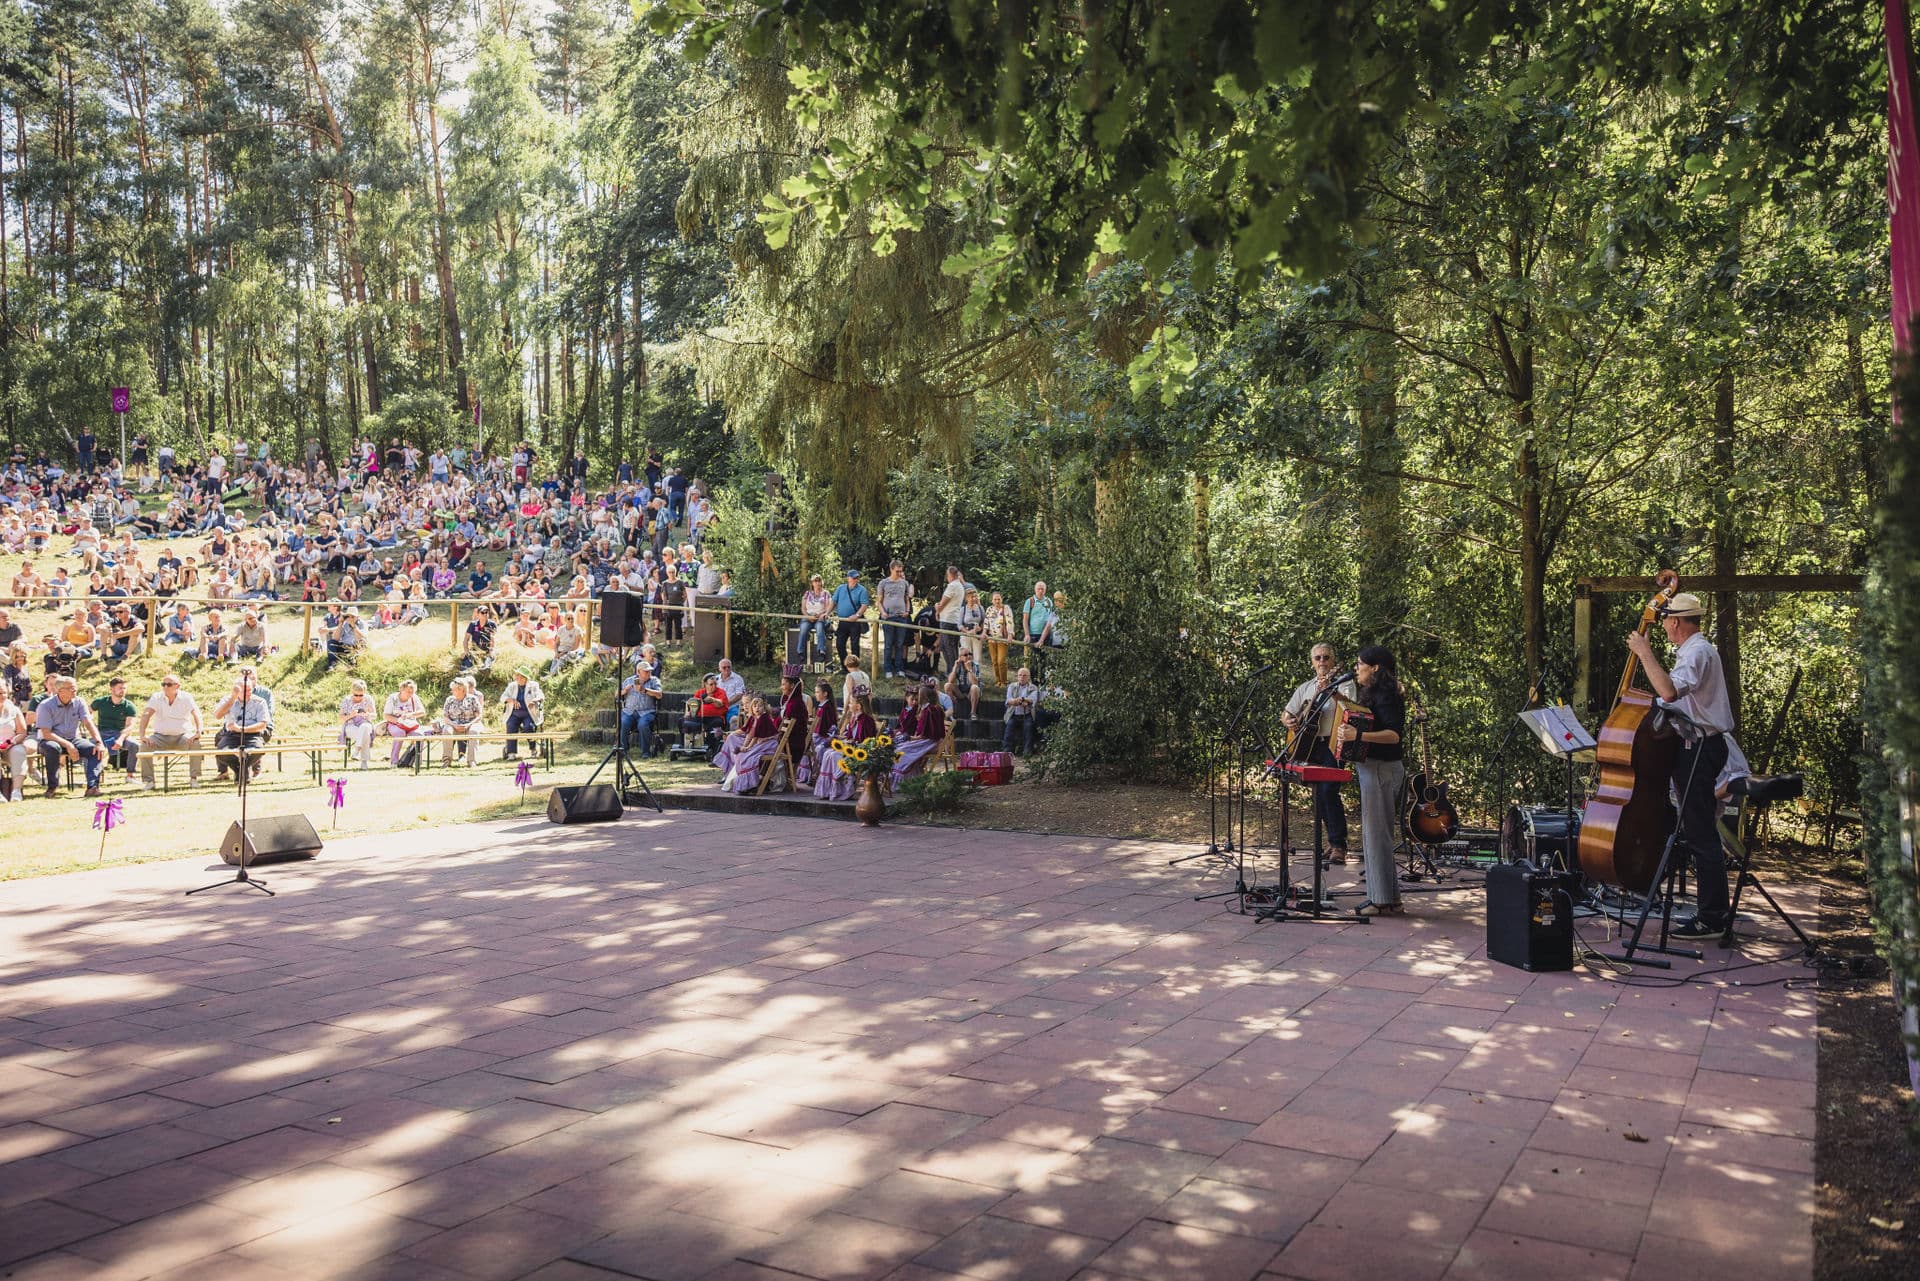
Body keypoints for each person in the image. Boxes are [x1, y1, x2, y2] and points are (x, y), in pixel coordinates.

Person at [1625, 591, 1736, 938]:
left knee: (1702, 833)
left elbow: (1669, 692)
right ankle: (1711, 912)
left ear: (1675, 621)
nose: (1666, 630)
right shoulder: (1694, 651)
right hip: (1695, 747)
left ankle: (1713, 916)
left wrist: (1644, 652)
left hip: (1701, 748)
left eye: (1667, 623)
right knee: (1697, 830)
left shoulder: (1698, 652)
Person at [1336, 645, 1407, 916]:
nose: (1356, 668)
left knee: (1378, 836)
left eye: (1360, 664)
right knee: (1375, 835)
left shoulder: (1387, 694)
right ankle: (1389, 899)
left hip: (1382, 768)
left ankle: (1380, 900)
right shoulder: (1373, 693)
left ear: (1375, 667)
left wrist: (1359, 736)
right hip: (1372, 768)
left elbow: (1393, 735)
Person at [1281, 643, 1358, 865]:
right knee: (1318, 795)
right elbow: (1287, 713)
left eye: (1326, 657)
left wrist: (1331, 691)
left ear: (1333, 661)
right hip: (1308, 745)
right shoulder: (1306, 687)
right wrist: (1288, 720)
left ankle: (1339, 846)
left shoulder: (1344, 683)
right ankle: (1332, 842)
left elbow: (1351, 708)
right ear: (1312, 661)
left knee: (1328, 791)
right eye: (1318, 658)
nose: (1322, 661)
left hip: (1333, 744)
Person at [35, 676, 103, 796]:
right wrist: (68, 745)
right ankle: (52, 787)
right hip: (50, 739)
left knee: (94, 750)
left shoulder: (79, 702)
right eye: (71, 687)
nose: (74, 689)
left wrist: (98, 742)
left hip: (73, 738)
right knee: (53, 748)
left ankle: (92, 787)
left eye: (75, 686)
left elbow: (88, 722)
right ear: (60, 690)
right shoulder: (45, 705)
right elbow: (46, 733)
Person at [137, 672, 202, 790]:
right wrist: (142, 735)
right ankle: (149, 782)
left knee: (196, 743)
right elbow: (146, 714)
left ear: (177, 686)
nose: (165, 687)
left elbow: (196, 713)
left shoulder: (186, 697)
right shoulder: (156, 697)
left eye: (169, 684)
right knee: (144, 746)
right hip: (160, 737)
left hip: (183, 737)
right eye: (163, 684)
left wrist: (198, 731)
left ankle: (194, 779)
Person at [814, 691, 876, 802]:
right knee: (828, 753)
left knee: (834, 756)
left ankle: (842, 790)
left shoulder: (866, 720)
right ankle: (828, 790)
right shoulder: (854, 718)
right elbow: (850, 736)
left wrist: (850, 743)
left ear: (858, 706)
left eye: (851, 703)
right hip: (852, 748)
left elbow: (866, 741)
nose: (848, 705)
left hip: (860, 751)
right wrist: (838, 738)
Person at [213, 676, 274, 783]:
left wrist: (242, 729)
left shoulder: (260, 702)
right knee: (222, 752)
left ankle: (241, 772)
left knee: (257, 750)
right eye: (245, 691)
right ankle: (241, 771)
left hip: (253, 734)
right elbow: (217, 715)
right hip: (231, 735)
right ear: (236, 690)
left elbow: (263, 724)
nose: (248, 693)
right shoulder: (227, 700)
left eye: (250, 690)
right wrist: (233, 698)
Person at [714, 696, 781, 793]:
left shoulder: (763, 718)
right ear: (752, 708)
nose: (757, 708)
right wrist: (731, 734)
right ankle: (744, 782)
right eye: (755, 707)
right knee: (740, 751)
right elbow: (746, 731)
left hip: (768, 743)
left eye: (760, 706)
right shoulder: (753, 718)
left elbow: (756, 736)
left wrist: (748, 747)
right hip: (759, 741)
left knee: (748, 757)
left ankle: (751, 785)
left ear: (764, 708)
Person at [892, 680, 945, 781]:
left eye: (919, 695)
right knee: (898, 746)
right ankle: (909, 776)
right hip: (924, 740)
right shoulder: (926, 709)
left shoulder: (931, 710)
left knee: (900, 751)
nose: (917, 698)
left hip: (930, 742)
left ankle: (902, 779)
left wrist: (913, 738)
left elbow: (928, 734)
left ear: (924, 697)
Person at [90, 676, 140, 781]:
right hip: (101, 733)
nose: (123, 690)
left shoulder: (129, 706)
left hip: (119, 734)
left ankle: (130, 775)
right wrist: (93, 727)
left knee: (135, 745)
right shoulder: (101, 701)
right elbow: (85, 713)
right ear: (112, 689)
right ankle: (92, 777)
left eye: (124, 688)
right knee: (89, 746)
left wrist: (120, 739)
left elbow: (130, 726)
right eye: (120, 688)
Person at [618, 661, 662, 757]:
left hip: (647, 712)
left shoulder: (654, 680)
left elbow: (659, 695)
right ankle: (623, 750)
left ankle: (645, 752)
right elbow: (616, 694)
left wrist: (644, 690)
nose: (649, 673)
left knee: (643, 724)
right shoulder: (629, 680)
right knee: (623, 723)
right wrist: (625, 690)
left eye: (650, 671)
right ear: (638, 671)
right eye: (646, 671)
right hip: (629, 711)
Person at [500, 668, 545, 759]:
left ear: (525, 678)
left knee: (529, 727)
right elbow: (503, 697)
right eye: (516, 675)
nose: (517, 678)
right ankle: (511, 752)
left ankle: (533, 750)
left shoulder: (533, 685)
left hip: (529, 713)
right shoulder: (512, 686)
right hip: (514, 714)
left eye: (519, 676)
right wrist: (511, 700)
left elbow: (541, 695)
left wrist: (534, 701)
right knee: (511, 725)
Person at [383, 679, 429, 766]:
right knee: (400, 733)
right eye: (408, 691)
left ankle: (417, 762)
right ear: (401, 689)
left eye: (412, 692)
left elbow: (422, 711)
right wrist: (399, 720)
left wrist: (409, 715)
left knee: (420, 735)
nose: (410, 694)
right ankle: (394, 761)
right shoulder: (393, 698)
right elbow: (386, 716)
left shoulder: (414, 698)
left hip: (410, 724)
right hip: (395, 723)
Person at [440, 676, 483, 766]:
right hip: (453, 725)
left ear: (462, 689)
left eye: (454, 689)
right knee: (447, 730)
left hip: (470, 724)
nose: (452, 691)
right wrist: (453, 724)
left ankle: (472, 761)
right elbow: (445, 717)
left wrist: (469, 724)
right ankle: (446, 760)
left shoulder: (473, 699)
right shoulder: (449, 699)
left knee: (474, 731)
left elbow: (479, 716)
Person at [339, 679, 378, 769]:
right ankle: (364, 762)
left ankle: (357, 750)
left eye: (361, 695)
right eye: (356, 695)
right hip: (350, 724)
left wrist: (368, 714)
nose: (358, 697)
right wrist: (350, 715)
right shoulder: (347, 700)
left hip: (365, 722)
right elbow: (340, 718)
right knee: (365, 735)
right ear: (352, 692)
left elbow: (374, 715)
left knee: (364, 728)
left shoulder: (368, 699)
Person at [832, 569, 870, 662]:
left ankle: (855, 667)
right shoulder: (840, 588)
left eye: (857, 577)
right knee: (839, 644)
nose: (856, 579)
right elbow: (833, 601)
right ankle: (845, 666)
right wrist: (827, 612)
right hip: (843, 621)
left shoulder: (862, 590)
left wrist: (857, 615)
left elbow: (864, 605)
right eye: (854, 578)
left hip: (855, 622)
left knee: (854, 646)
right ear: (848, 578)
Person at [935, 565, 967, 673]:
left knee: (948, 647)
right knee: (949, 647)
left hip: (948, 619)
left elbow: (942, 603)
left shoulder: (952, 586)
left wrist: (937, 609)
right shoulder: (960, 586)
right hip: (954, 619)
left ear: (950, 575)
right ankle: (952, 670)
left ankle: (954, 672)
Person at [1003, 667, 1041, 756]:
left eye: (1024, 675)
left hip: (1027, 714)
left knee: (1029, 727)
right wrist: (1017, 701)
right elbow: (1008, 701)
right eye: (1020, 675)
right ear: (1017, 676)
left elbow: (1033, 701)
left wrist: (1024, 699)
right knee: (1009, 726)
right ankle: (1007, 751)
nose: (1022, 677)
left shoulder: (1033, 688)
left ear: (1028, 677)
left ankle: (1027, 752)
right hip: (1014, 713)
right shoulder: (1012, 686)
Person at [691, 673, 730, 758]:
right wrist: (688, 712)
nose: (714, 686)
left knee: (716, 724)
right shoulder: (700, 692)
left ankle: (713, 750)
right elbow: (692, 704)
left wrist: (712, 699)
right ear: (705, 684)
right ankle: (690, 747)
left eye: (715, 684)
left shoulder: (721, 692)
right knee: (684, 722)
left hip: (716, 718)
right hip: (700, 717)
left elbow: (720, 704)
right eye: (711, 684)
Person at [981, 590, 1016, 686]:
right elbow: (986, 622)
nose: (997, 601)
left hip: (1002, 639)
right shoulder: (989, 609)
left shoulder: (1006, 608)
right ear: (992, 600)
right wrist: (984, 632)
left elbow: (1010, 621)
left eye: (998, 599)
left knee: (1001, 661)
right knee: (994, 661)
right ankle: (998, 681)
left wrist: (1010, 634)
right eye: (995, 599)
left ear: (1001, 599)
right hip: (991, 638)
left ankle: (1004, 681)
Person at [0, 689, 28, 801]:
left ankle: (16, 791)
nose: (2, 696)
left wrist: (10, 743)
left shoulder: (14, 710)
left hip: (10, 745)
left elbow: (22, 732)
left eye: (3, 693)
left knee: (19, 751)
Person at [799, 574, 833, 668]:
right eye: (815, 581)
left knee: (819, 628)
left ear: (821, 582)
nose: (817, 583)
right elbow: (803, 608)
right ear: (812, 583)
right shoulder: (807, 593)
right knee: (804, 629)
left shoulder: (826, 593)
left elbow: (828, 607)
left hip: (820, 616)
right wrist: (807, 616)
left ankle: (821, 650)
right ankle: (801, 651)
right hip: (809, 616)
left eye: (819, 581)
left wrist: (820, 614)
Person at [945, 646, 982, 719]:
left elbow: (975, 683)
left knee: (974, 687)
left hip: (972, 692)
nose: (968, 656)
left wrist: (969, 670)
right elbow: (950, 681)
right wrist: (955, 668)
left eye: (970, 654)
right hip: (961, 691)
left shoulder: (976, 665)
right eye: (965, 655)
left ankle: (973, 713)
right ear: (960, 657)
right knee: (947, 685)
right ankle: (952, 711)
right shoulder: (958, 665)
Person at [716, 658, 746, 725]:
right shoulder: (715, 679)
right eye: (724, 667)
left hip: (733, 706)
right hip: (718, 707)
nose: (727, 669)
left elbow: (739, 694)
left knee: (734, 720)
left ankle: (733, 735)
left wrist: (726, 703)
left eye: (729, 667)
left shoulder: (738, 678)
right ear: (719, 669)